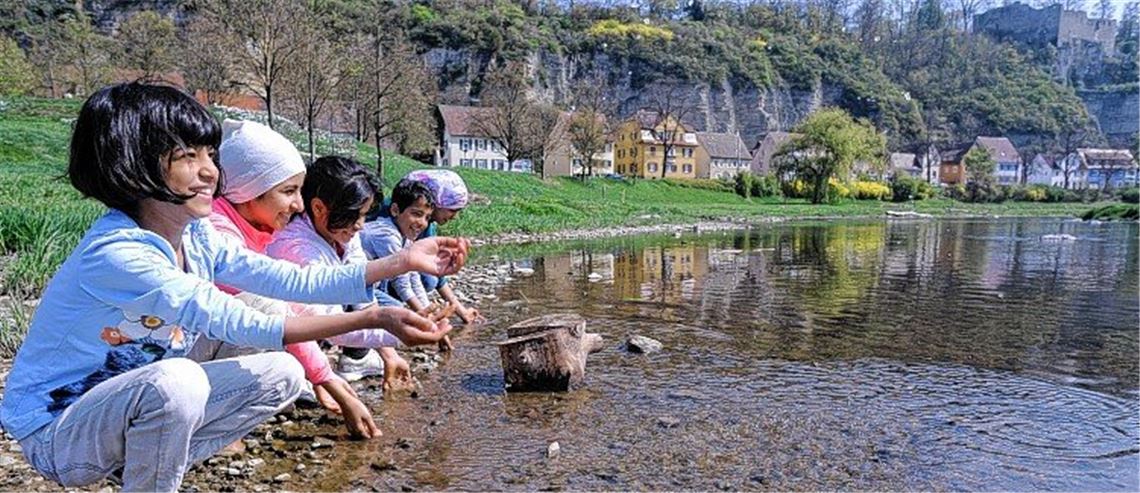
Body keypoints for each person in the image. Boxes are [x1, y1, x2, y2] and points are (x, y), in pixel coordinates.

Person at [0, 82, 466, 492]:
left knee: (282, 374)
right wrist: (376, 317)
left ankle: (146, 466)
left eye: (210, 156)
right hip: (58, 429)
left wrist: (402, 261)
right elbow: (230, 316)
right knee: (176, 381)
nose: (210, 173)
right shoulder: (121, 252)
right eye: (188, 157)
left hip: (123, 407)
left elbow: (292, 280)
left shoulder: (196, 236)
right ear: (133, 166)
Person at [199, 119, 443, 438]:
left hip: (215, 346)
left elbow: (343, 288)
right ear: (249, 189)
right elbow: (289, 303)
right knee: (268, 315)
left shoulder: (264, 229)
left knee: (285, 352)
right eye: (288, 192)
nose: (297, 205)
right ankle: (210, 423)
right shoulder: (235, 236)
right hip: (184, 358)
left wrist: (383, 333)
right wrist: (381, 329)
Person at [267, 157, 435, 387]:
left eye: (365, 215)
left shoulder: (342, 232)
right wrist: (399, 333)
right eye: (355, 215)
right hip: (282, 331)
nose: (360, 225)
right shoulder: (297, 250)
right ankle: (308, 375)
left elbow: (363, 295)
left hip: (316, 319)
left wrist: (390, 354)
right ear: (318, 208)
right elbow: (327, 325)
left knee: (381, 306)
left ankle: (346, 363)